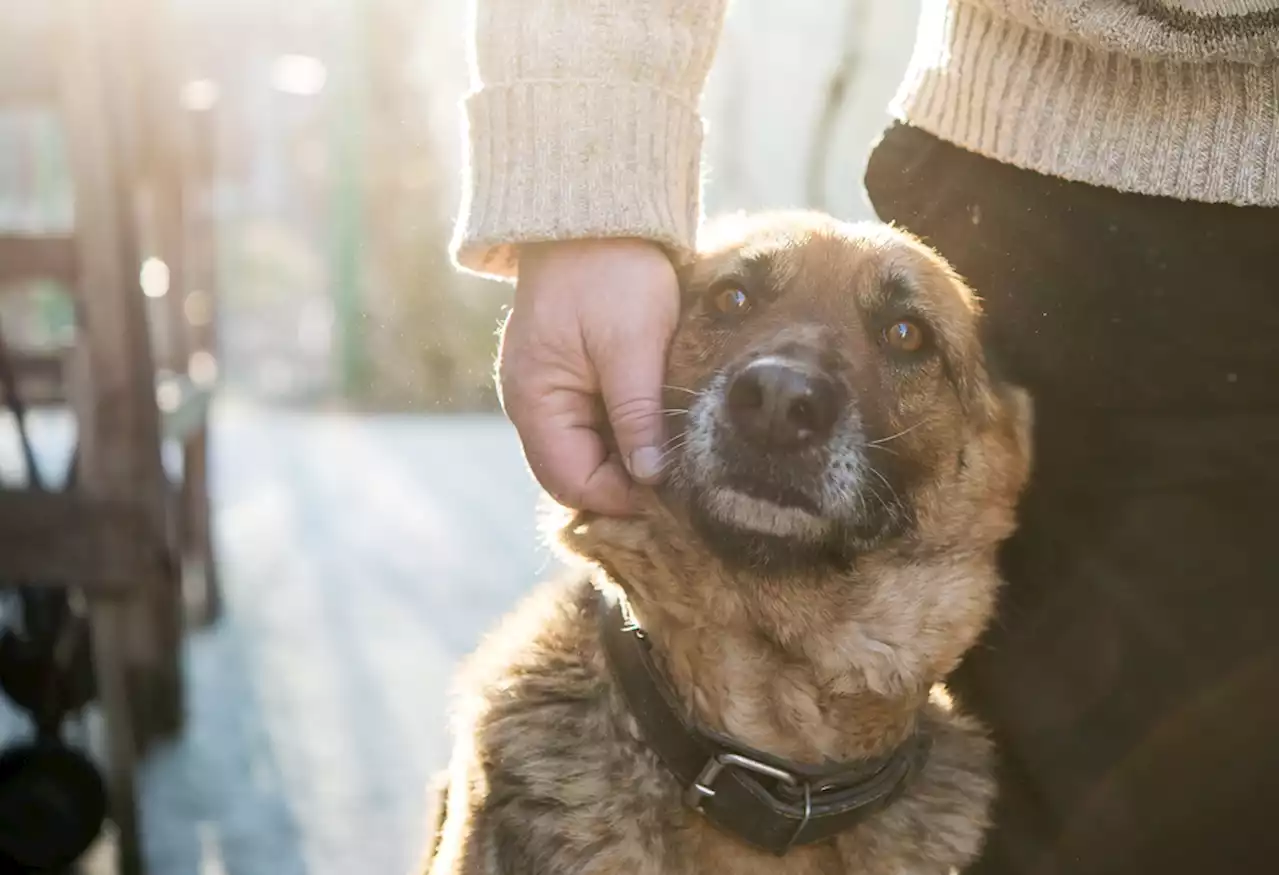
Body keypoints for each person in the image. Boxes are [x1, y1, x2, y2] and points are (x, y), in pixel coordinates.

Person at [450, 2, 1280, 874]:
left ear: (998, 454)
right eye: (732, 301)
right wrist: (588, 190)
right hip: (1030, 184)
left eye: (904, 338)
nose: (784, 388)